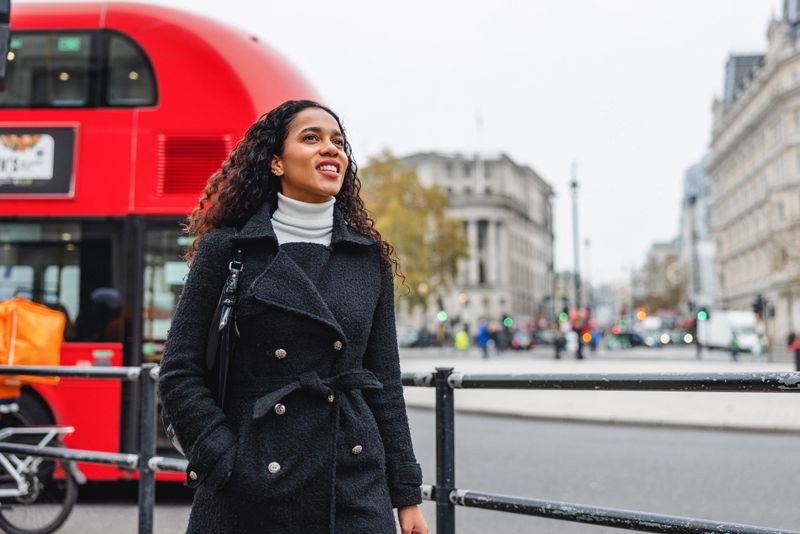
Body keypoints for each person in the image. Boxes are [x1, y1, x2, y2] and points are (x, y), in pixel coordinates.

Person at [159, 100, 428, 534]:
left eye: (338, 142)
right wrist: (224, 461)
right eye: (312, 138)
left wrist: (406, 494)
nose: (331, 150)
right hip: (251, 484)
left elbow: (384, 382)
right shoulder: (229, 250)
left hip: (354, 482)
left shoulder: (368, 257)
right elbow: (178, 371)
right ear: (276, 162)